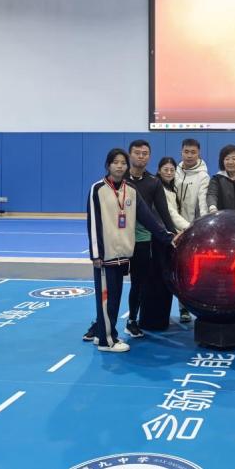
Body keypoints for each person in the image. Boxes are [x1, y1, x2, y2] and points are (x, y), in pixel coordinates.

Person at [86, 148, 175, 353]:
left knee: (115, 297)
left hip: (123, 254)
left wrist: (167, 237)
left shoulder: (131, 190)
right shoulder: (97, 189)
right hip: (105, 255)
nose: (119, 166)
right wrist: (96, 254)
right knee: (106, 298)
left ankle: (104, 334)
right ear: (108, 165)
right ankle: (107, 341)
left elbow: (148, 218)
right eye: (115, 162)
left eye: (122, 163)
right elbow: (93, 224)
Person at [124, 140, 176, 338]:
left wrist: (173, 235)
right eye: (137, 152)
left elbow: (163, 212)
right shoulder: (119, 180)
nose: (141, 156)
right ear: (130, 155)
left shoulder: (154, 182)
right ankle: (100, 322)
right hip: (118, 241)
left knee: (138, 282)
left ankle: (132, 321)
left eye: (145, 153)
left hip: (143, 241)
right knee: (111, 283)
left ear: (149, 157)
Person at [174, 138, 210, 322]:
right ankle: (182, 308)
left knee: (192, 271)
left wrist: (202, 226)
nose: (189, 155)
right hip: (173, 229)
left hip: (192, 230)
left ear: (199, 153)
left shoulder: (203, 176)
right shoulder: (174, 172)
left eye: (193, 152)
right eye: (186, 152)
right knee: (176, 269)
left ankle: (193, 306)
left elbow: (203, 203)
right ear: (181, 152)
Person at [206, 145, 235, 212]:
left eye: (234, 159)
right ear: (222, 161)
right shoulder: (216, 179)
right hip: (222, 217)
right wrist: (213, 208)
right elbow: (212, 194)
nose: (230, 162)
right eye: (227, 159)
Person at [157, 157, 191, 233]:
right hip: (163, 231)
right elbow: (171, 213)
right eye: (166, 170)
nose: (169, 173)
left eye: (172, 170)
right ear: (159, 171)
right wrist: (189, 227)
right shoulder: (159, 189)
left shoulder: (172, 188)